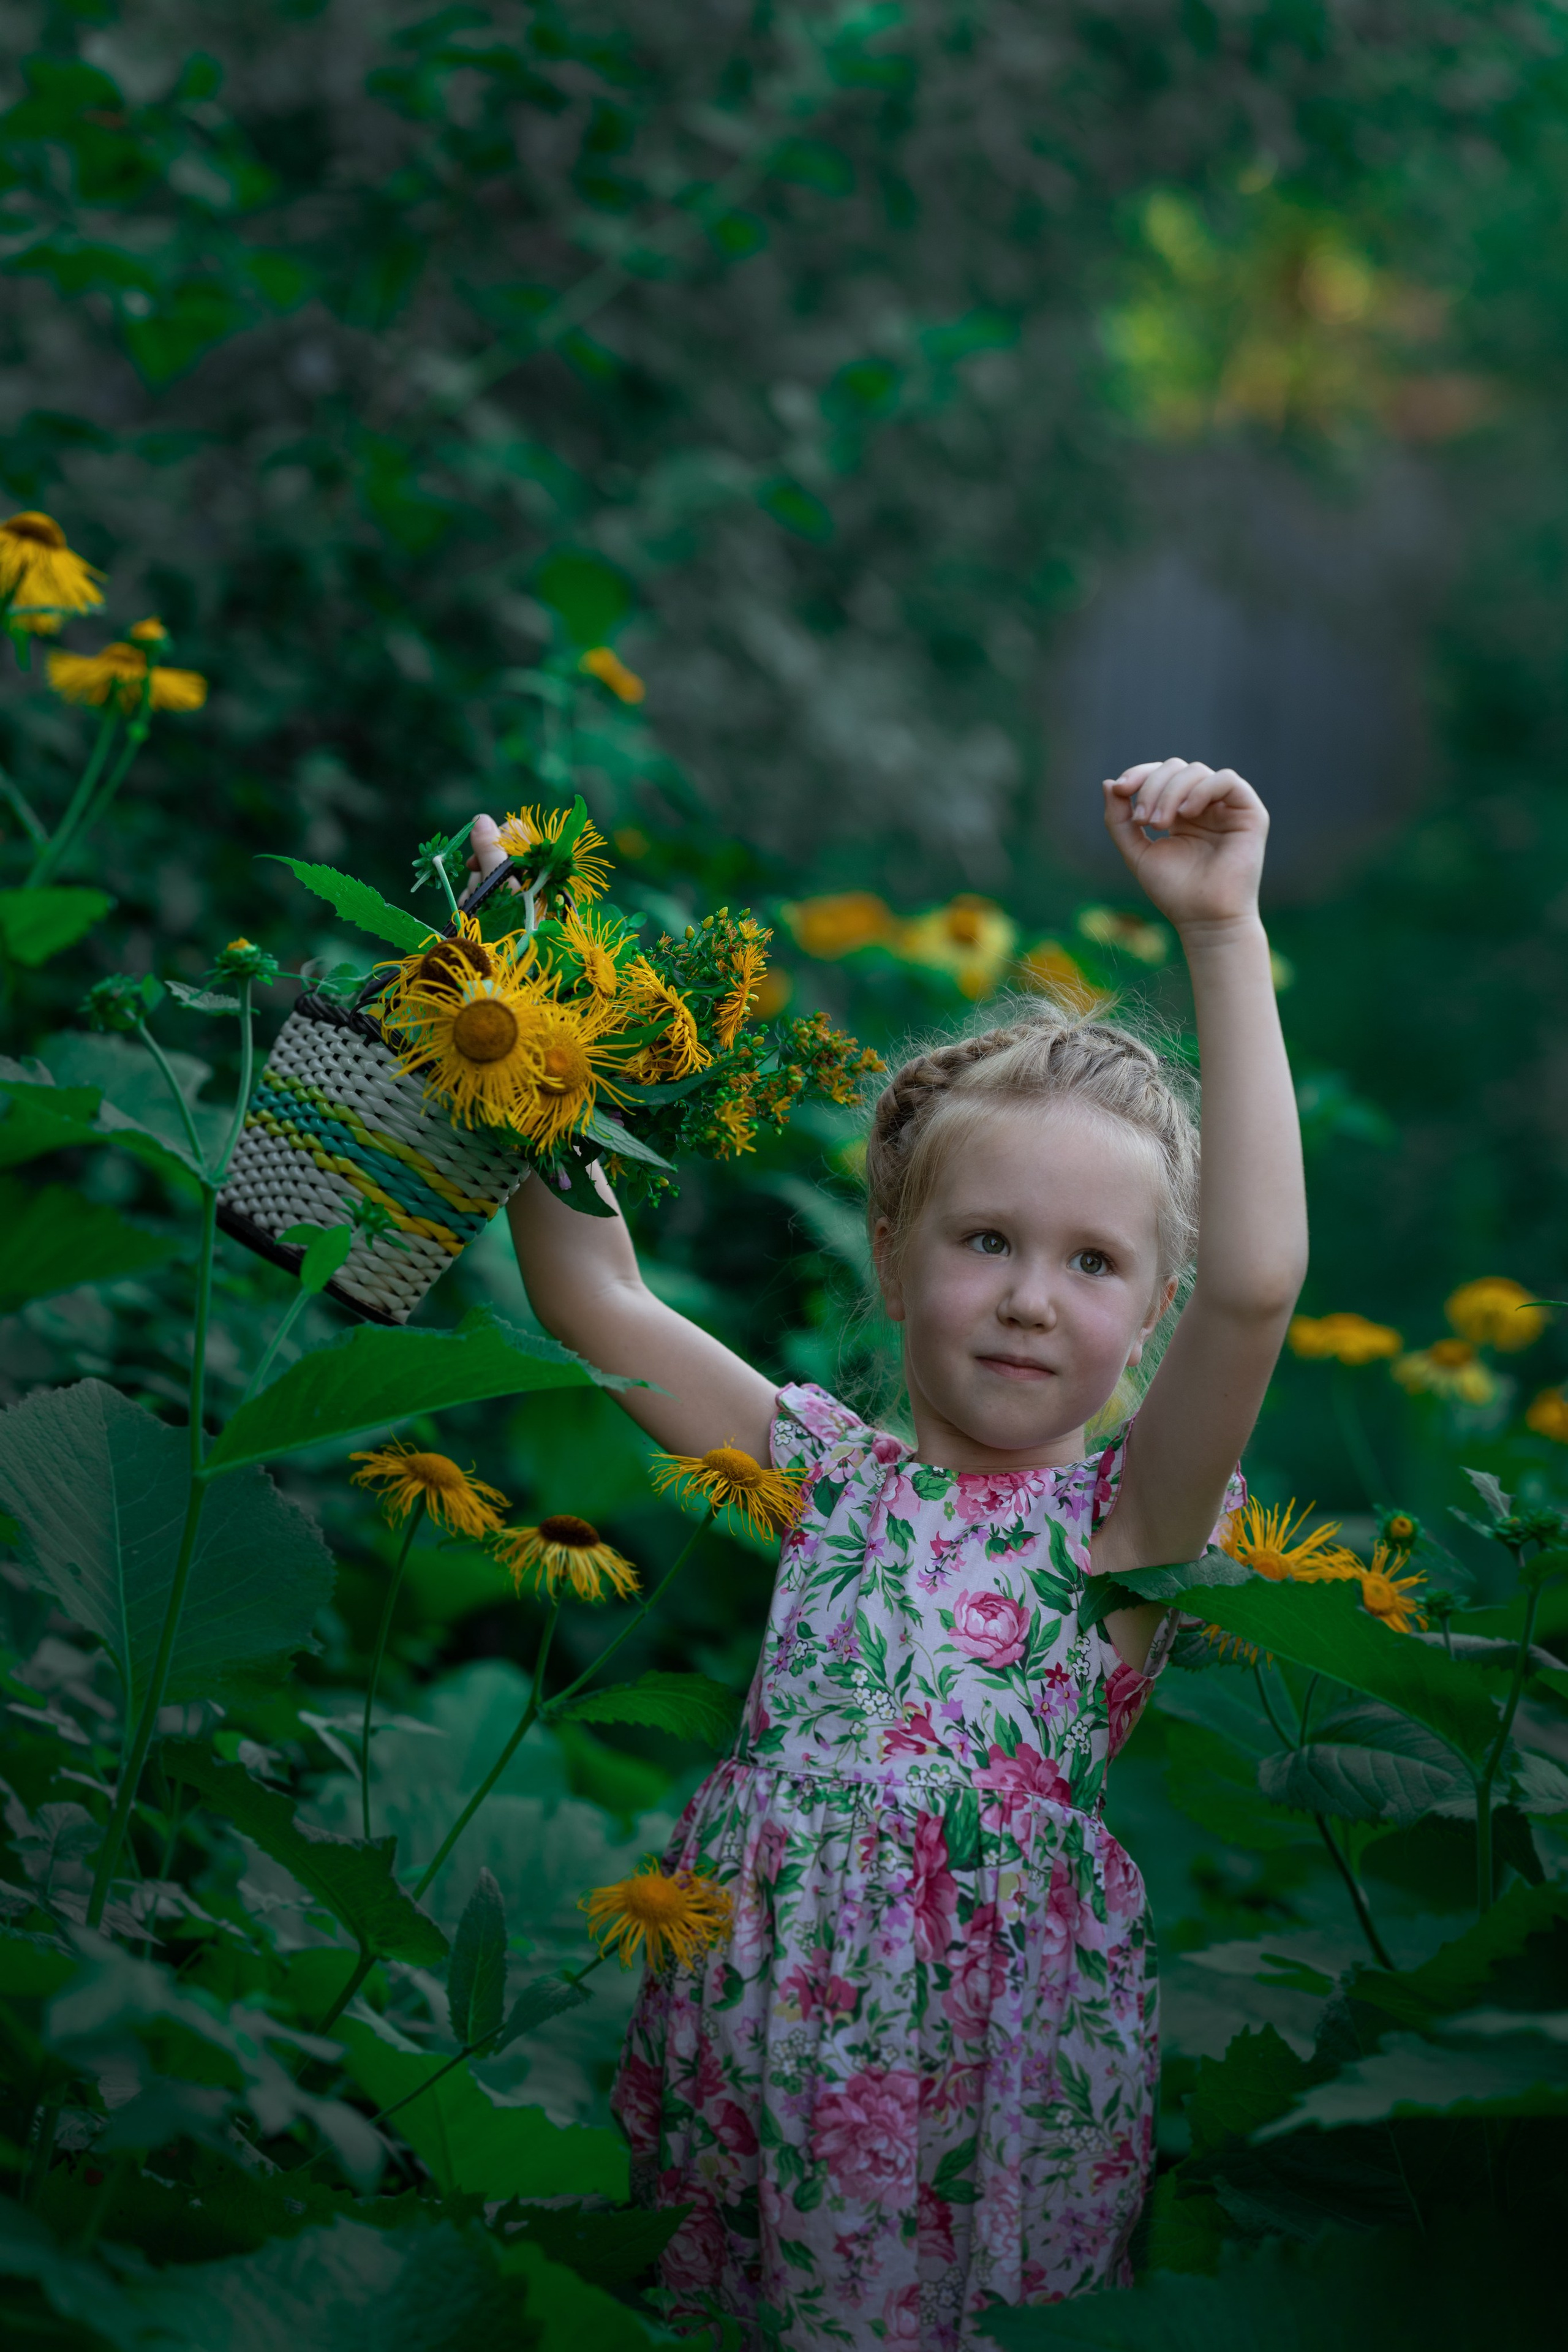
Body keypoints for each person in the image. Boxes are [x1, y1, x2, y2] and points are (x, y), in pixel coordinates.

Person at [466, 758, 1306, 2346]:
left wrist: (1222, 928)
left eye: (1094, 1262)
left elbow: (1261, 1281)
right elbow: (600, 1296)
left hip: (983, 2108)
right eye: (986, 1239)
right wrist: (517, 993)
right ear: (896, 1253)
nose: (1029, 1297)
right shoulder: (826, 1478)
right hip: (753, 2058)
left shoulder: (1128, 1531)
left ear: (1151, 1308)